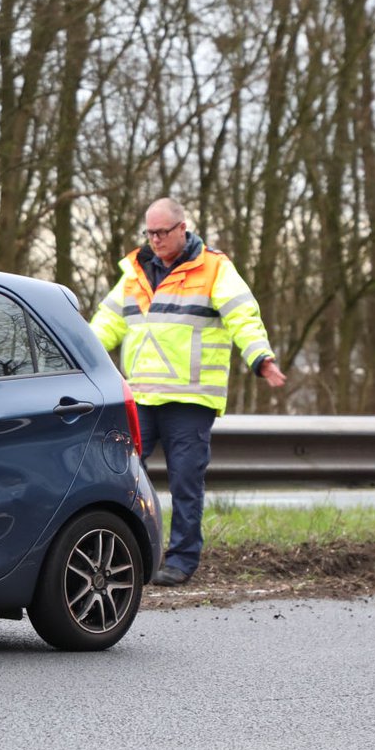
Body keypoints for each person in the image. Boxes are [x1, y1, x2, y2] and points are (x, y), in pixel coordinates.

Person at [90, 197, 286, 586]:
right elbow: (106, 323)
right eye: (150, 232)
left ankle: (181, 561)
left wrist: (260, 357)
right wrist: (77, 357)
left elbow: (242, 315)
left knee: (185, 483)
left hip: (190, 398)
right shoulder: (134, 272)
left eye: (162, 232)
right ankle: (131, 555)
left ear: (182, 228)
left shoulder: (214, 268)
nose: (155, 239)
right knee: (121, 474)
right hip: (141, 395)